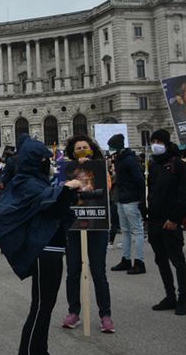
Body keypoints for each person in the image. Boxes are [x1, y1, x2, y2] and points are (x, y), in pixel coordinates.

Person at [0, 134, 86, 355]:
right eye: (45, 159)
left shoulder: (34, 181)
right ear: (36, 161)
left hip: (50, 248)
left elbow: (53, 206)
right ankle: (28, 351)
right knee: (41, 307)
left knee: (45, 306)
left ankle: (39, 349)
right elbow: (49, 204)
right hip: (43, 249)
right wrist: (66, 189)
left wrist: (68, 193)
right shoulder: (27, 183)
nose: (49, 163)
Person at [60, 135, 115, 333]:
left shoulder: (101, 168)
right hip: (74, 225)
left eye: (85, 147)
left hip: (97, 224)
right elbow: (60, 190)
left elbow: (106, 188)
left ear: (91, 149)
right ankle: (73, 311)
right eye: (78, 148)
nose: (82, 150)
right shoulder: (66, 169)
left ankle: (105, 315)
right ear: (72, 153)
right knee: (73, 270)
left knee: (98, 271)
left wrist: (91, 167)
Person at [146, 129, 186, 315]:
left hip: (170, 222)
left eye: (159, 141)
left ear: (166, 143)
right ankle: (170, 295)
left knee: (177, 261)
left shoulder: (178, 165)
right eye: (153, 141)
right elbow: (151, 191)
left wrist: (175, 218)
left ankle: (183, 299)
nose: (155, 144)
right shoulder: (153, 164)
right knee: (161, 260)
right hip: (155, 221)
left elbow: (184, 196)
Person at [107, 133, 146, 275]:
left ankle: (139, 261)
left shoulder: (128, 160)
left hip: (130, 198)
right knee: (125, 230)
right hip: (122, 198)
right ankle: (126, 258)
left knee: (137, 230)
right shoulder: (121, 159)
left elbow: (139, 179)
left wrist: (141, 198)